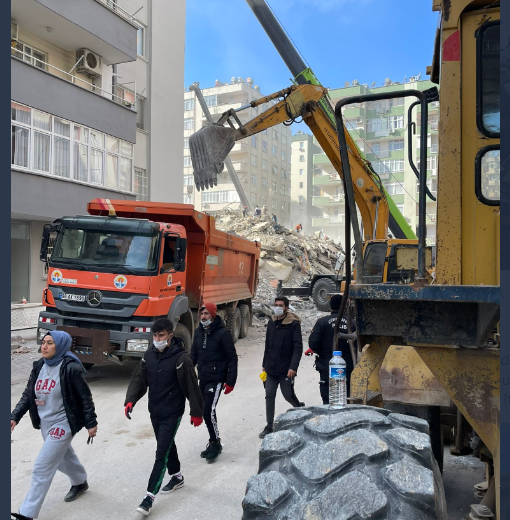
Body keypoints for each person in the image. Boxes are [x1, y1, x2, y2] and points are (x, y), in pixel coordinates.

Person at [11, 331, 98, 520]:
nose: (44, 346)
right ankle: (80, 482)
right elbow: (28, 395)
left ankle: (27, 513)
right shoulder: (39, 366)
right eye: (43, 342)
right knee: (65, 458)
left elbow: (85, 397)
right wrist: (14, 417)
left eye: (50, 343)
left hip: (63, 423)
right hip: (45, 422)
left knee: (42, 466)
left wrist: (91, 423)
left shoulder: (71, 368)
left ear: (60, 346)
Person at [124, 318, 204, 516]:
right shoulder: (149, 356)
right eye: (154, 335)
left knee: (161, 454)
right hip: (155, 411)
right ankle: (177, 476)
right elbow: (139, 379)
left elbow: (192, 387)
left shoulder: (181, 359)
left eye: (161, 336)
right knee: (166, 445)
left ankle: (149, 497)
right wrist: (130, 400)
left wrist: (196, 412)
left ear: (170, 336)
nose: (157, 339)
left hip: (172, 412)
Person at [191, 303, 238, 462]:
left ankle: (215, 444)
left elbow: (232, 358)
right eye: (201, 314)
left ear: (213, 314)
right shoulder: (198, 332)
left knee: (207, 411)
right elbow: (193, 356)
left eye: (206, 314)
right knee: (207, 411)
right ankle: (213, 441)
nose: (203, 317)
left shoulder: (223, 334)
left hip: (217, 379)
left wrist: (230, 381)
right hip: (203, 378)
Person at [259, 297, 304, 438]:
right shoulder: (272, 322)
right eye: (276, 305)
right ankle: (269, 425)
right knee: (269, 395)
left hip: (286, 368)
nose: (277, 307)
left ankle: (299, 408)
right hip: (271, 368)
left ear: (286, 308)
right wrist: (264, 365)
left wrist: (293, 367)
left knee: (287, 395)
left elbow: (298, 348)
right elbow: (268, 346)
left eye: (281, 305)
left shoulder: (294, 324)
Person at [305, 294, 355, 404]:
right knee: (345, 397)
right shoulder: (352, 323)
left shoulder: (322, 322)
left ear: (330, 306)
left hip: (327, 366)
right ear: (345, 306)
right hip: (347, 367)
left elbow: (313, 343)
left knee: (328, 399)